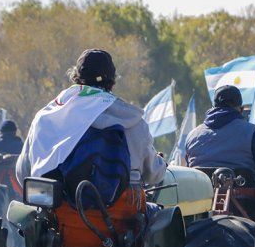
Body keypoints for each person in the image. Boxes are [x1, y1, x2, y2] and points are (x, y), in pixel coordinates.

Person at [17, 49, 166, 186]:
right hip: (119, 205)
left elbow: (23, 173)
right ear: (112, 82)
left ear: (76, 78)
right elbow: (154, 175)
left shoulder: (46, 117)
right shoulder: (132, 120)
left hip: (56, 205)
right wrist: (161, 163)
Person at [185, 85, 255, 177]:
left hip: (200, 191)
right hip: (243, 191)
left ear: (213, 108)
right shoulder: (250, 132)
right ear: (241, 110)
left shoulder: (192, 135)